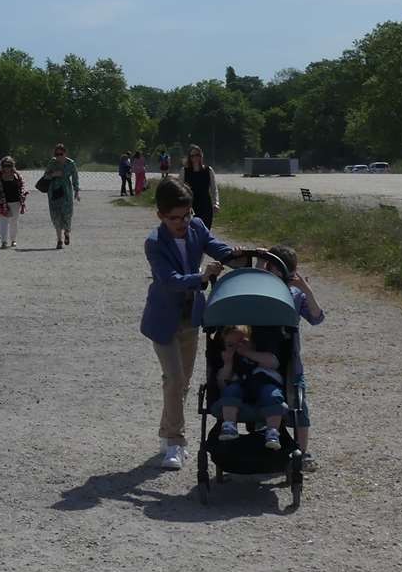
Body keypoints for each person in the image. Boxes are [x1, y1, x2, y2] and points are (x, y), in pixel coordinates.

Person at [140, 177, 241, 471]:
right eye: (175, 218)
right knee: (173, 378)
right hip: (163, 320)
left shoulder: (197, 227)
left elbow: (219, 250)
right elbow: (169, 281)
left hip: (191, 318)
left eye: (187, 215)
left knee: (180, 383)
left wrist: (243, 257)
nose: (183, 222)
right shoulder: (155, 242)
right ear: (161, 215)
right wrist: (202, 277)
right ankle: (175, 443)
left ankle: (165, 433)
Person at [263, 245, 326, 472]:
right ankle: (269, 442)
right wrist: (260, 264)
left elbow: (317, 317)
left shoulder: (295, 294)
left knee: (299, 407)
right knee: (266, 399)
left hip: (290, 361)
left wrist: (306, 289)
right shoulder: (259, 290)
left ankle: (303, 451)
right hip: (263, 356)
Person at [213, 325, 287, 450]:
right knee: (230, 390)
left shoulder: (259, 355)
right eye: (231, 345)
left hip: (264, 384)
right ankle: (229, 425)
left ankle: (272, 431)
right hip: (241, 390)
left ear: (252, 342)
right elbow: (221, 383)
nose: (237, 347)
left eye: (242, 342)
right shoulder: (231, 361)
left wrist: (248, 353)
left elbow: (273, 362)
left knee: (272, 394)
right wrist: (228, 363)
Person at [41, 144, 81, 249]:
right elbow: (45, 176)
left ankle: (67, 232)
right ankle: (59, 240)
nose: (58, 156)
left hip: (66, 191)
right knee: (56, 215)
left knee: (67, 214)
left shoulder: (70, 163)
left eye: (60, 154)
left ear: (65, 153)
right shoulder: (52, 162)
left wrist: (76, 191)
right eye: (56, 154)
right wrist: (54, 174)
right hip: (53, 191)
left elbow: (75, 177)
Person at [0, 155, 27, 249]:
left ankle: (13, 240)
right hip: (2, 202)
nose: (7, 167)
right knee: (3, 222)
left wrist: (23, 194)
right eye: (5, 165)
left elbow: (22, 186)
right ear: (2, 166)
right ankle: (4, 241)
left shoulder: (17, 175)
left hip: (16, 201)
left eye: (9, 165)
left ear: (12, 165)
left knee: (14, 221)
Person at [180, 144, 220, 229]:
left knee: (205, 231)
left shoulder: (208, 170)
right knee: (192, 232)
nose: (195, 158)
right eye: (192, 156)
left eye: (197, 155)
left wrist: (216, 203)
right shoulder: (184, 171)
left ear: (201, 155)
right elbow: (179, 189)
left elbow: (214, 189)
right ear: (189, 157)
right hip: (190, 206)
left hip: (206, 205)